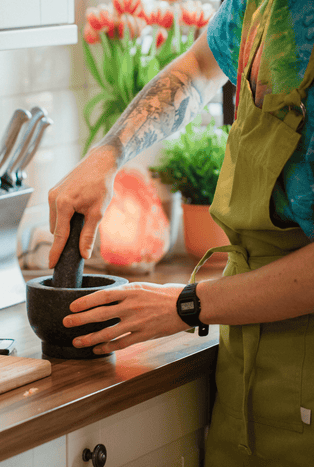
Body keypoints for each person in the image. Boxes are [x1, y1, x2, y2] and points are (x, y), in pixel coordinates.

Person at [47, 0, 314, 464]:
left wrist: (186, 304)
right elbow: (199, 67)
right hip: (247, 350)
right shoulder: (262, 7)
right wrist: (109, 155)